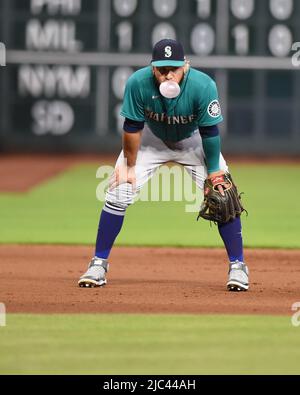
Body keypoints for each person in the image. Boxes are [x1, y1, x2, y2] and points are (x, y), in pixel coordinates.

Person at [78, 38, 249, 291]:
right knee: (118, 191)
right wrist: (128, 163)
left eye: (174, 68)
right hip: (151, 140)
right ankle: (98, 263)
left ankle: (238, 266)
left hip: (192, 141)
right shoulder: (138, 82)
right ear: (152, 68)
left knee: (223, 194)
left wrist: (214, 172)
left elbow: (210, 132)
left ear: (186, 66)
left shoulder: (203, 86)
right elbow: (133, 127)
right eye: (162, 69)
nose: (169, 74)